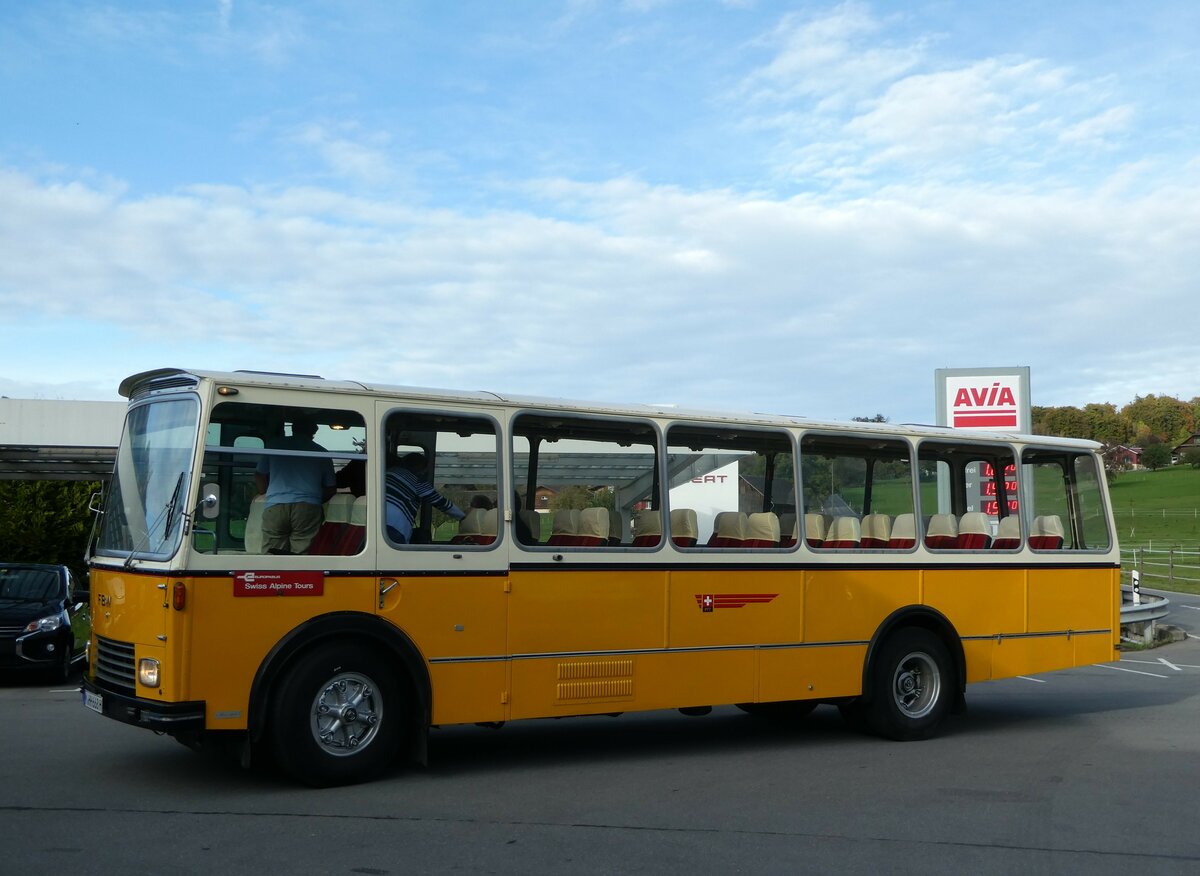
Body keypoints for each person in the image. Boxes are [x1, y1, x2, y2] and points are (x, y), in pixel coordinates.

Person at [255, 415, 336, 554]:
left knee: (272, 552)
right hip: (308, 507)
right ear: (313, 432)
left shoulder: (274, 445)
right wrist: (314, 498)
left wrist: (264, 493)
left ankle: (273, 575)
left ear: (293, 428)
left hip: (275, 505)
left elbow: (260, 474)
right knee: (301, 553)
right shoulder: (322, 453)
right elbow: (330, 488)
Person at [385, 452, 466, 544]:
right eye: (424, 470)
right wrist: (463, 517)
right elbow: (441, 503)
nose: (424, 473)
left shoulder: (388, 473)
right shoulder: (417, 481)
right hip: (396, 526)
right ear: (419, 468)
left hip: (377, 522)